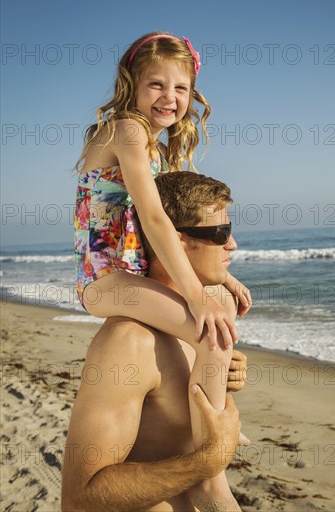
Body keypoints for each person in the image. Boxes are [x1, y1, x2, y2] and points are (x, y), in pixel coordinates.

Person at [73, 32, 251, 501]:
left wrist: (222, 277)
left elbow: (181, 224)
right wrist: (195, 295)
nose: (170, 98)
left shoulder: (155, 145)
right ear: (132, 84)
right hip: (106, 280)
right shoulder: (125, 131)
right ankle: (211, 463)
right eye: (156, 85)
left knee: (219, 312)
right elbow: (153, 218)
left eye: (181, 88)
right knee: (210, 328)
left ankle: (211, 427)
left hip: (128, 276)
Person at [62, 171, 247, 511]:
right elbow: (79, 499)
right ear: (175, 241)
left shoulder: (203, 326)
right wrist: (204, 464)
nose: (232, 244)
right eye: (221, 233)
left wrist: (228, 381)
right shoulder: (129, 343)